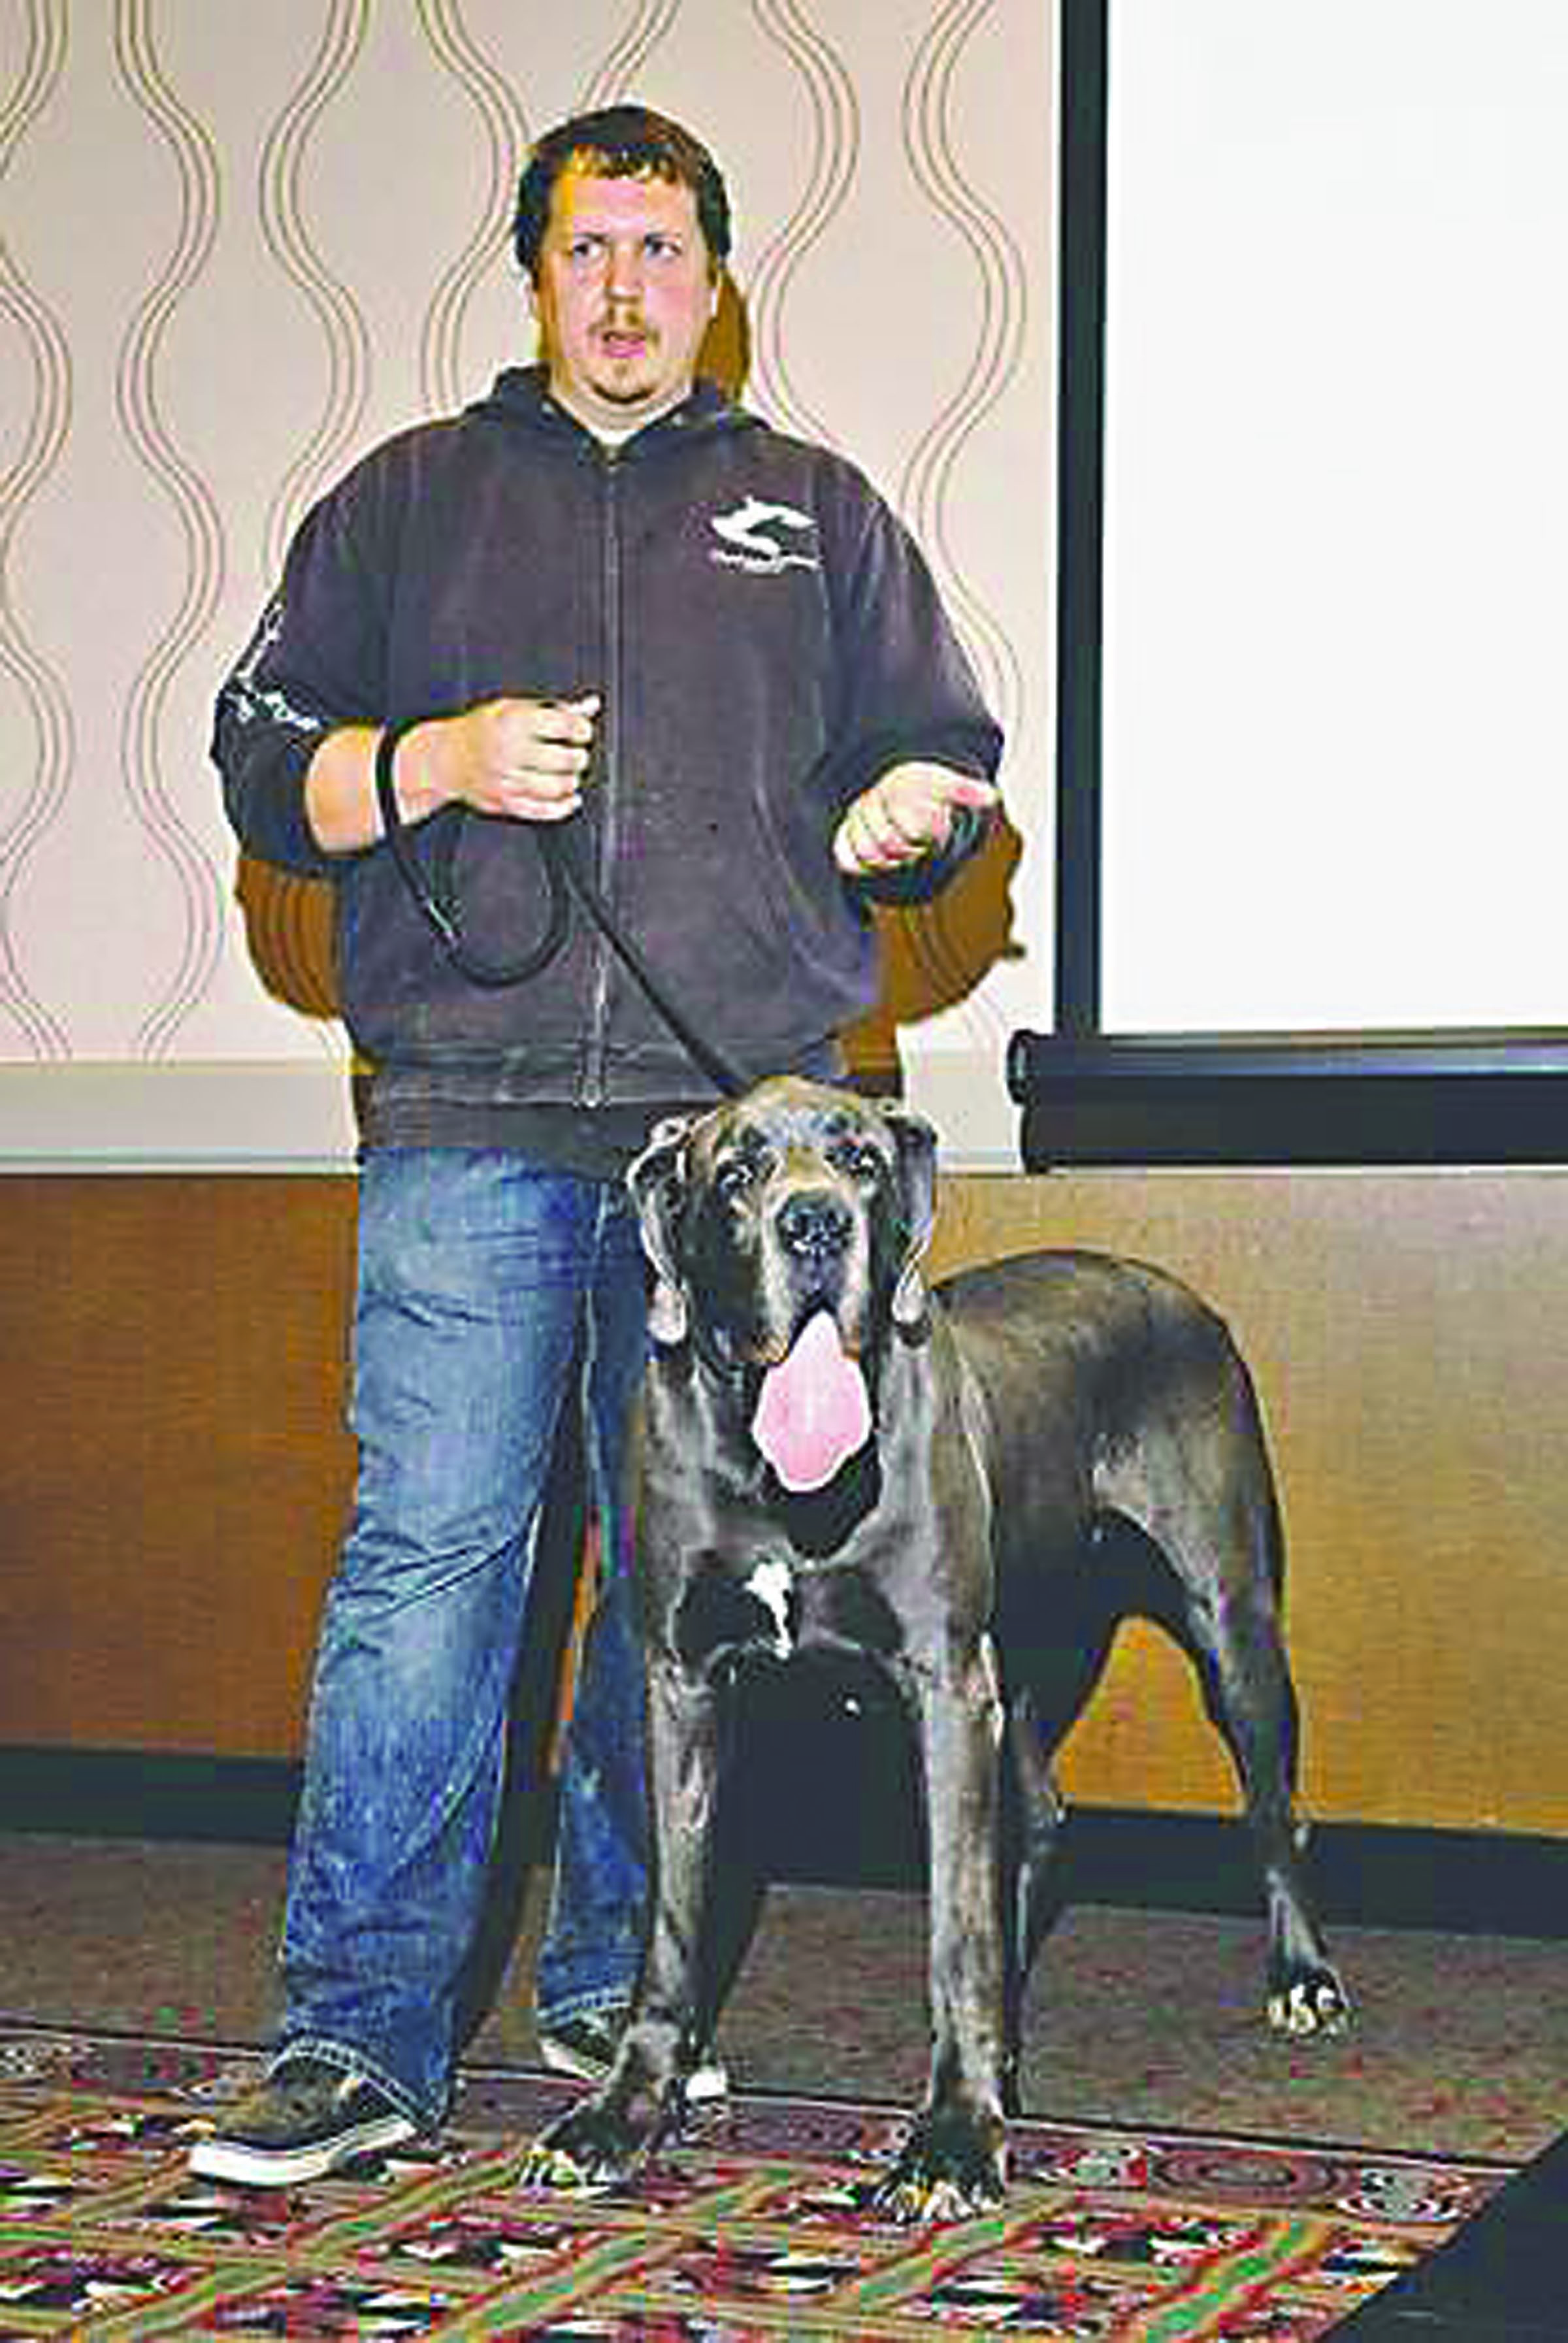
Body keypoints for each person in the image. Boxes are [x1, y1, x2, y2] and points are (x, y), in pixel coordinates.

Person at [190, 103, 1002, 2187]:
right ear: (534, 274)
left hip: (743, 1154)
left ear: (716, 280)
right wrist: (432, 758)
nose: (626, 290)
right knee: (433, 1568)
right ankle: (359, 2039)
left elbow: (945, 755)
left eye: (662, 251)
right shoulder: (405, 506)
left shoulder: (819, 516)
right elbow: (266, 769)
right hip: (467, 1125)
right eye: (588, 251)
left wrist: (923, 811)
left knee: (683, 1585)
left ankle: (617, 1997)